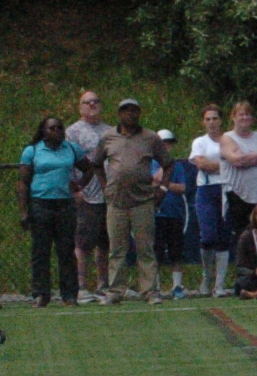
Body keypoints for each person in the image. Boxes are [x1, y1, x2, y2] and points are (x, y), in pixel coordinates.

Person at [96, 98, 166, 304]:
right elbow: (96, 163)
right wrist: (105, 186)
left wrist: (163, 187)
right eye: (126, 110)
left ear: (139, 113)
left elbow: (168, 163)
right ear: (119, 114)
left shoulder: (150, 138)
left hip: (142, 200)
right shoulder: (108, 137)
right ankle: (116, 290)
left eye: (134, 110)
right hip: (116, 201)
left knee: (145, 248)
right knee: (117, 249)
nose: (130, 114)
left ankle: (149, 291)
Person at [16, 113, 80, 316]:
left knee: (66, 251)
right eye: (52, 128)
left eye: (59, 128)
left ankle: (69, 294)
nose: (56, 131)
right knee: (40, 251)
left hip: (65, 205)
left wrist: (79, 186)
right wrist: (24, 210)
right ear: (43, 131)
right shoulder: (33, 151)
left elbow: (88, 169)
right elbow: (23, 182)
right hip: (40, 205)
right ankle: (41, 294)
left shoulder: (71, 149)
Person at [65, 89, 110, 299]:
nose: (92, 105)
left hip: (108, 193)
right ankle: (81, 286)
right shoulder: (73, 132)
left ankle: (104, 284)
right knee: (83, 242)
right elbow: (68, 162)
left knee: (106, 242)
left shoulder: (110, 131)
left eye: (95, 101)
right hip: (86, 195)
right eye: (87, 102)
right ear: (80, 107)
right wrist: (75, 189)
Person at [188, 104, 232, 296]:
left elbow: (237, 161)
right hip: (206, 190)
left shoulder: (229, 140)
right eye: (208, 119)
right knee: (208, 236)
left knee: (224, 237)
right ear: (203, 122)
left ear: (221, 121)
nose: (212, 122)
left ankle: (219, 284)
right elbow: (202, 164)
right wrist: (227, 165)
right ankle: (207, 276)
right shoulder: (200, 142)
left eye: (215, 118)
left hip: (226, 188)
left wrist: (223, 165)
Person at [218, 101, 257, 240]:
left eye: (248, 114)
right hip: (239, 194)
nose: (245, 117)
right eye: (241, 114)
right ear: (233, 117)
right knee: (244, 235)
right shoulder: (227, 138)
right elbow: (237, 161)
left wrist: (249, 157)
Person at [154, 129, 192, 297]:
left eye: (169, 143)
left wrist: (164, 183)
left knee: (176, 252)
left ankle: (177, 286)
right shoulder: (150, 163)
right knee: (156, 252)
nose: (166, 147)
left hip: (174, 214)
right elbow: (153, 181)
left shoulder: (178, 166)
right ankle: (155, 287)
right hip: (156, 214)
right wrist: (165, 168)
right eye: (163, 143)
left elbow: (182, 188)